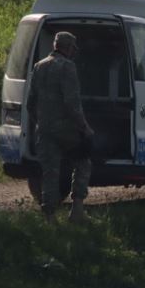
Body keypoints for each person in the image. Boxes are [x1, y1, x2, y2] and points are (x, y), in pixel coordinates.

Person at [26, 31, 96, 223]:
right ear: (67, 48)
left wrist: (39, 122)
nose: (74, 52)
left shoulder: (39, 67)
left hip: (45, 130)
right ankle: (77, 209)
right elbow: (72, 104)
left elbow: (30, 103)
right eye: (73, 48)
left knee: (50, 172)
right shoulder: (67, 67)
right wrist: (84, 128)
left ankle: (49, 216)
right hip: (65, 130)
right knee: (83, 161)